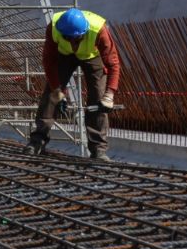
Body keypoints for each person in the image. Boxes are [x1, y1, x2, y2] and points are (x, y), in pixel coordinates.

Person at [28, 8, 122, 160]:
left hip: (92, 56)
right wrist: (58, 90)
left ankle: (98, 149)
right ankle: (37, 141)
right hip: (64, 56)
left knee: (99, 98)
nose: (72, 42)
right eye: (68, 38)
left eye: (77, 39)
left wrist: (110, 94)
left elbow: (113, 64)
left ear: (84, 32)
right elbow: (49, 61)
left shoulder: (99, 30)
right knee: (51, 97)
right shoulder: (54, 28)